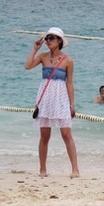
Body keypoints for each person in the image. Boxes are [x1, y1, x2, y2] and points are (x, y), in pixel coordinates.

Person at [25, 27, 79, 178]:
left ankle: (75, 169)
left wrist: (72, 105)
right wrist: (35, 49)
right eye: (47, 38)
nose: (49, 41)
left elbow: (69, 83)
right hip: (46, 97)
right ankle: (42, 169)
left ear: (60, 41)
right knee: (44, 135)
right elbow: (27, 66)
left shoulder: (67, 60)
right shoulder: (43, 57)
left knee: (66, 134)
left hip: (61, 97)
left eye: (52, 38)